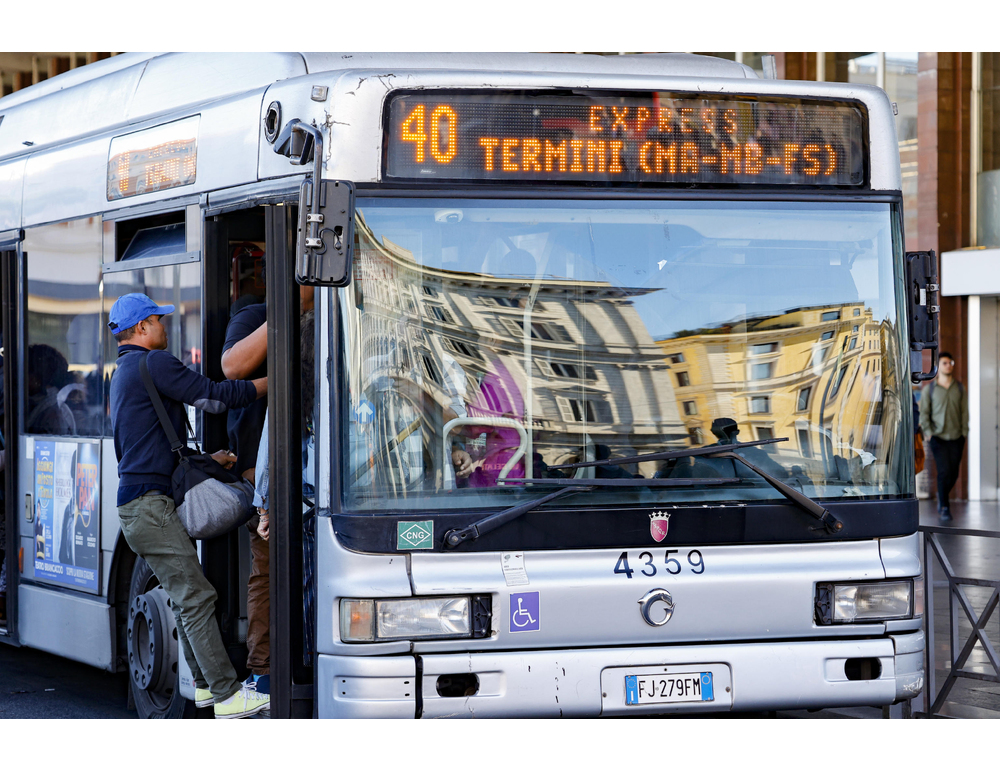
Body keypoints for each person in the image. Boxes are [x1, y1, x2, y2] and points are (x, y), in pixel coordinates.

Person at [108, 293, 269, 718]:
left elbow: (145, 447)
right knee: (197, 597)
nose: (165, 327)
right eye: (159, 321)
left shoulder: (123, 371)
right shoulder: (155, 363)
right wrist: (277, 379)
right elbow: (215, 397)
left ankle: (201, 686)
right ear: (142, 328)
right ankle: (229, 696)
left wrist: (206, 461)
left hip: (136, 508)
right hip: (151, 509)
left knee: (183, 599)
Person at [221, 285, 315, 697]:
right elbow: (232, 369)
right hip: (266, 471)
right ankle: (263, 670)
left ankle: (308, 658)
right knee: (269, 568)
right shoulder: (256, 315)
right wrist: (288, 308)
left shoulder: (338, 317)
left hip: (318, 469)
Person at [919, 351, 968, 521]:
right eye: (945, 363)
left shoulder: (960, 388)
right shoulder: (930, 389)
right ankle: (945, 506)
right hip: (937, 437)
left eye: (950, 363)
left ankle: (941, 496)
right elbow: (924, 413)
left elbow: (964, 412)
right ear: (938, 366)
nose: (948, 366)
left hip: (956, 436)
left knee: (953, 473)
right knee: (943, 471)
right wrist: (929, 432)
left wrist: (964, 432)